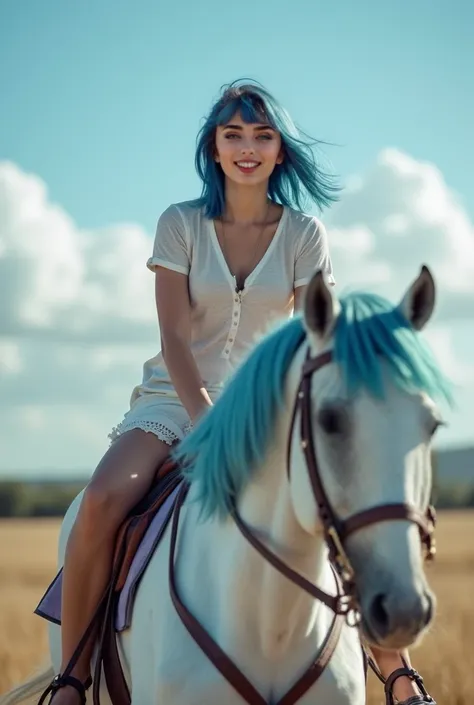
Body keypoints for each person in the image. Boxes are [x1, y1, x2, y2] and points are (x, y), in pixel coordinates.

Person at [45, 80, 431, 704]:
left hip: (267, 408)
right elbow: (173, 336)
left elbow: (317, 335)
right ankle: (73, 676)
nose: (247, 147)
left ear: (280, 151)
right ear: (214, 149)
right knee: (105, 496)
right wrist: (204, 422)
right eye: (234, 136)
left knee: (340, 501)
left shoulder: (306, 234)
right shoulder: (181, 224)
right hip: (173, 402)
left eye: (262, 136)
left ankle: (394, 666)